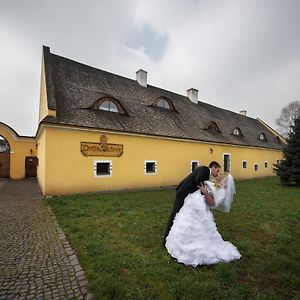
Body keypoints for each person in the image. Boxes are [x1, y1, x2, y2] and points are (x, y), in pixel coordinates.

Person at [165, 173, 241, 266]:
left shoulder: (222, 192)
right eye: (222, 177)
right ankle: (178, 247)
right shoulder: (216, 185)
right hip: (192, 204)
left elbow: (212, 204)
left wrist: (205, 193)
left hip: (200, 210)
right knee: (185, 224)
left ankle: (193, 251)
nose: (220, 178)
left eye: (224, 179)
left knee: (196, 228)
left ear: (227, 183)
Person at [163, 161, 221, 245]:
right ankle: (166, 239)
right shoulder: (204, 170)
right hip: (183, 192)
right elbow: (198, 180)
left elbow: (202, 181)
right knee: (175, 213)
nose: (217, 173)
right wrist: (203, 193)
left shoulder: (205, 172)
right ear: (213, 167)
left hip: (186, 193)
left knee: (179, 214)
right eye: (217, 170)